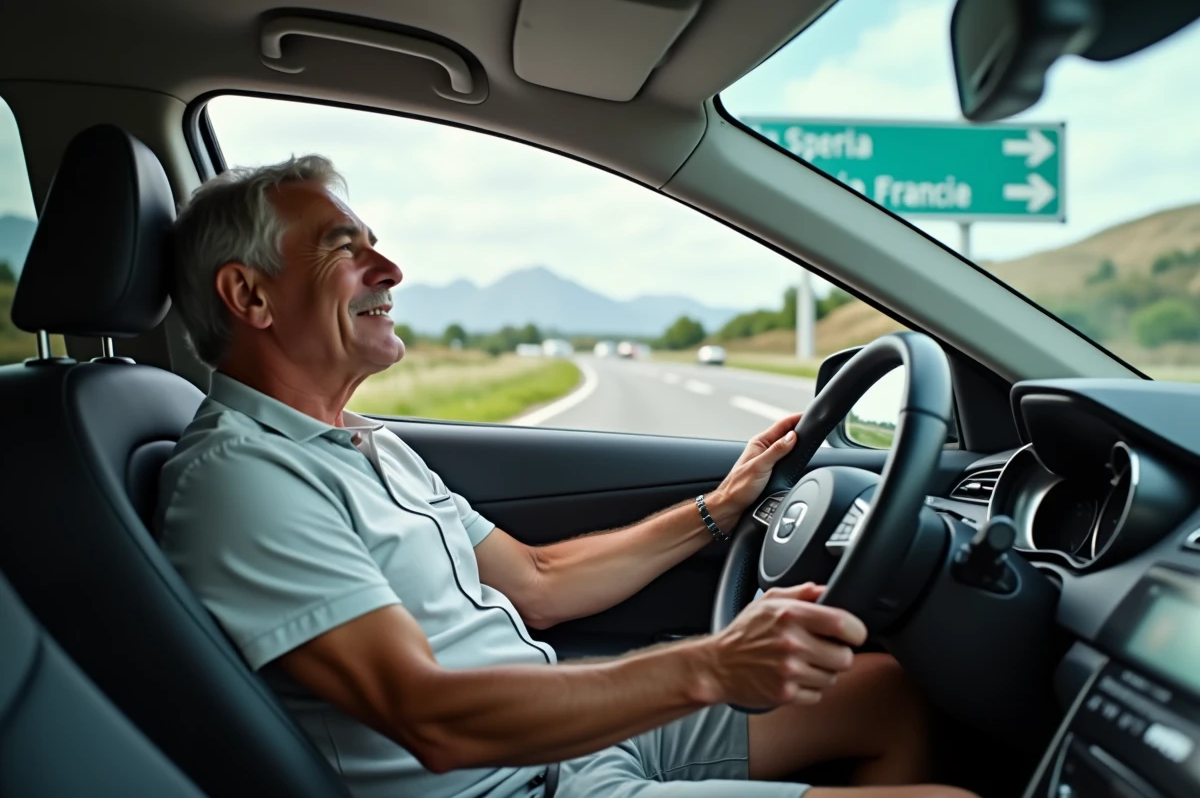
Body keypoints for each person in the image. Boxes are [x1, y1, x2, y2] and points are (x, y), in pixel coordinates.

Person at [158, 155, 978, 798]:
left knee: (887, 692)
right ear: (249, 297)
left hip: (560, 743)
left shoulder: (359, 443)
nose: (390, 269)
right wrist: (713, 664)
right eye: (345, 248)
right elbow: (430, 718)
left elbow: (540, 582)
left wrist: (719, 510)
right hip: (502, 784)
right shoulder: (245, 478)